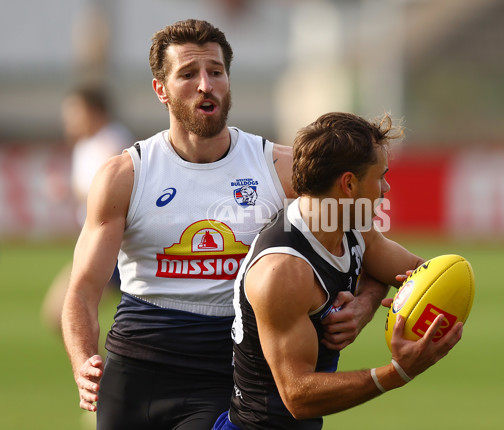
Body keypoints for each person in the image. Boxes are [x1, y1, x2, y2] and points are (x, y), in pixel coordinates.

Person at [61, 19, 389, 430]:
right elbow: (82, 291)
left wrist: (365, 304)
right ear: (160, 90)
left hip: (227, 379)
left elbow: (373, 251)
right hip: (133, 376)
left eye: (215, 72)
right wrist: (82, 361)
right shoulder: (125, 176)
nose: (205, 84)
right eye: (188, 74)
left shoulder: (282, 170)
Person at [214, 112, 463, 430]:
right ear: (348, 183)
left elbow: (415, 274)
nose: (386, 187)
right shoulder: (283, 273)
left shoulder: (348, 222)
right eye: (380, 176)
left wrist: (365, 305)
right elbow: (297, 397)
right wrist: (397, 372)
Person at [41, 84, 132, 333]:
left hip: (113, 246)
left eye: (74, 113)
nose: (68, 121)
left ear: (95, 112)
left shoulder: (113, 142)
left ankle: (100, 370)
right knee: (65, 315)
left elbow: (108, 193)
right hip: (96, 241)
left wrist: (69, 190)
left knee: (65, 313)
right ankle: (100, 371)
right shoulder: (86, 145)